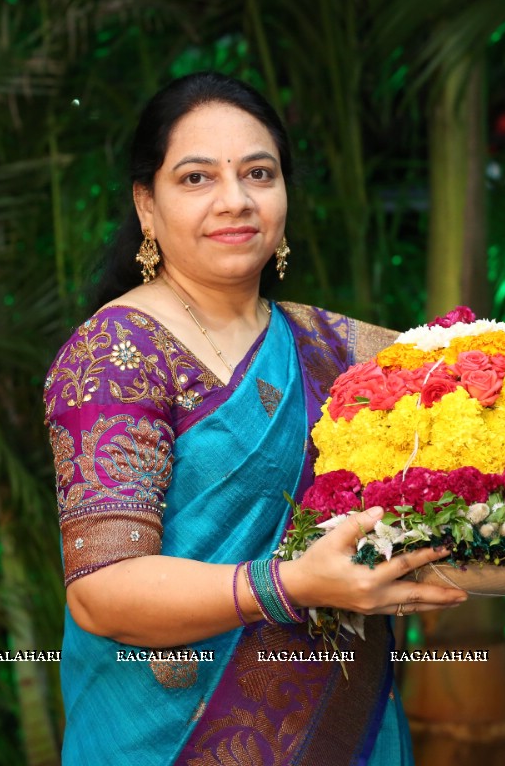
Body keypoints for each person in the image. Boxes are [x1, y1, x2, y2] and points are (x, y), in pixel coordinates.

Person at [43, 72, 469, 766]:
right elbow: (103, 590)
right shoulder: (117, 352)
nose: (235, 201)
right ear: (145, 206)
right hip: (166, 736)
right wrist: (289, 585)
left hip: (340, 729)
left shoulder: (341, 350)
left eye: (258, 173)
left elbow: (494, 400)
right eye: (196, 178)